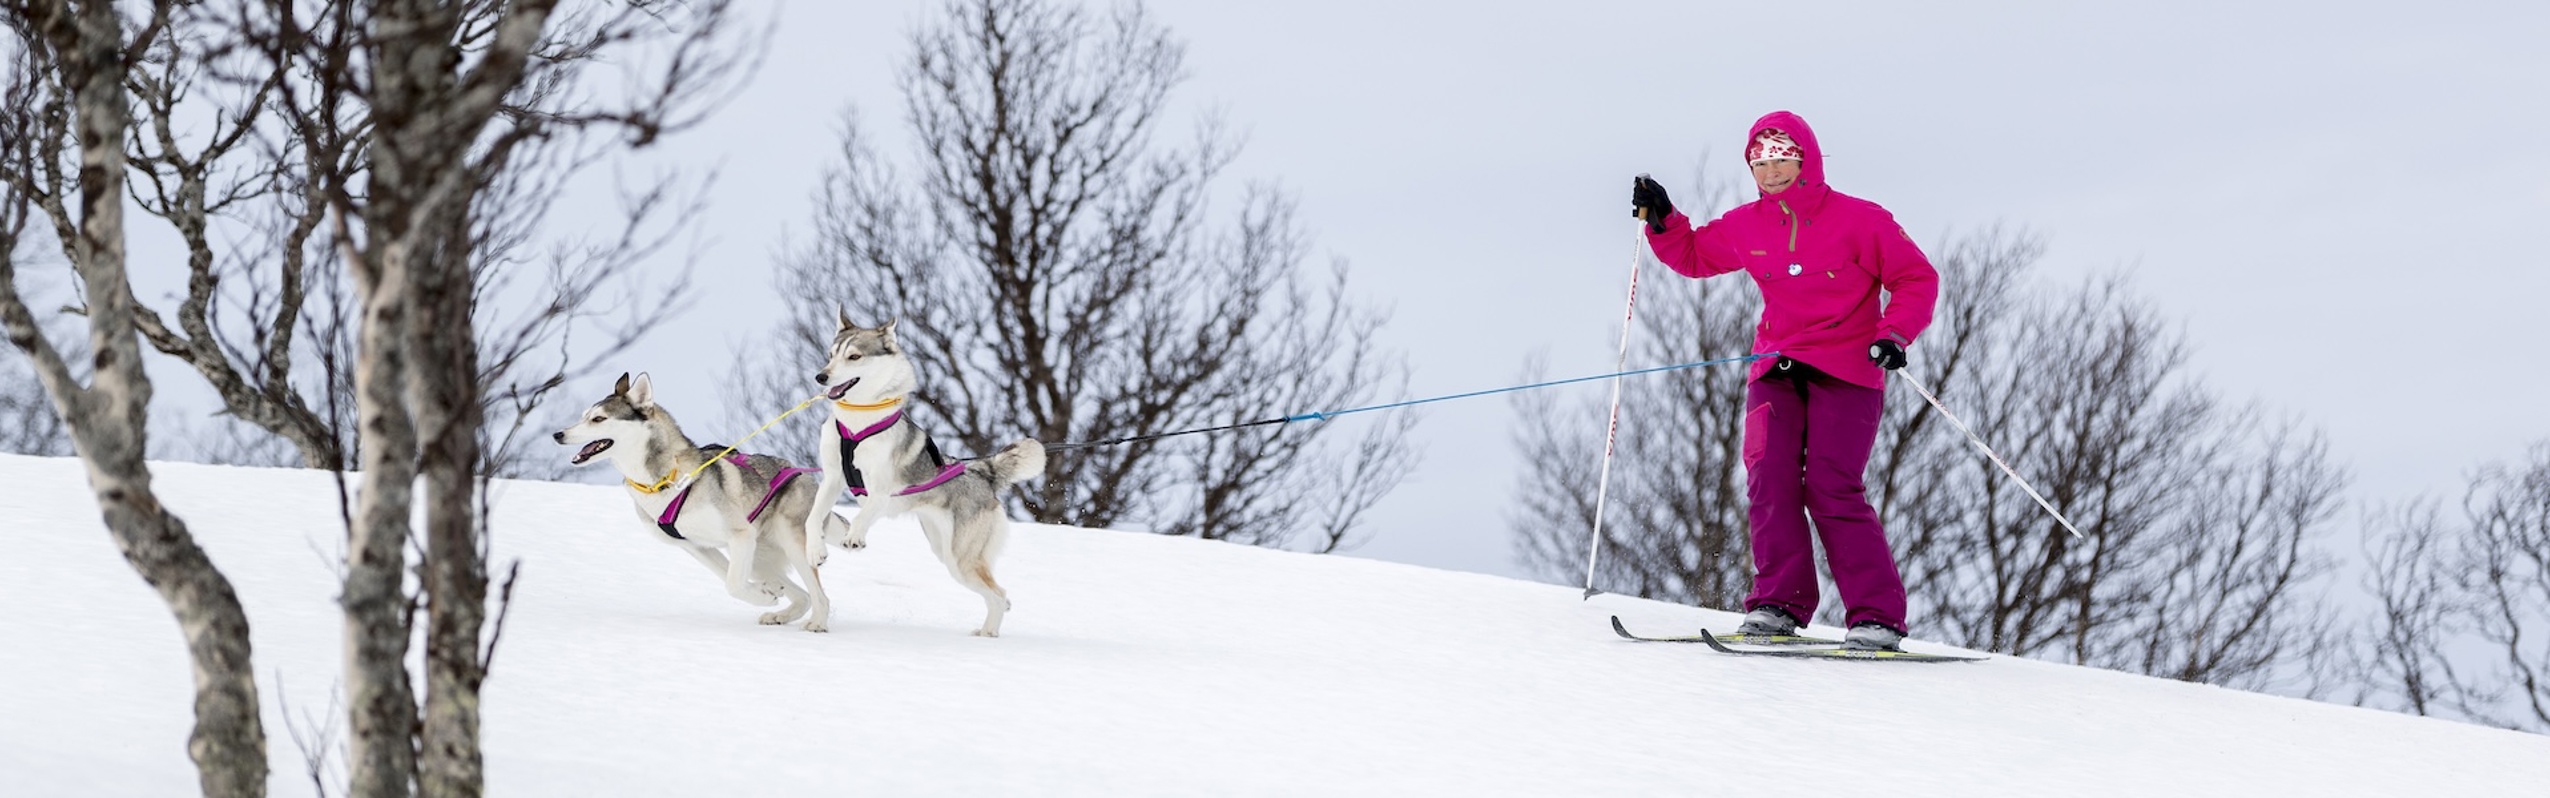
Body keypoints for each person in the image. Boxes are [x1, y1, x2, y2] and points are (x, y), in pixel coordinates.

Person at [1628, 110, 1940, 651]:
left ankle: (1876, 618)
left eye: (1781, 160)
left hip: (1848, 370)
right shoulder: (1747, 224)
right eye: (1760, 162)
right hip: (1776, 369)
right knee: (1768, 478)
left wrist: (1894, 334)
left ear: (1805, 161)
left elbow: (1915, 278)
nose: (1771, 172)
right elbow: (1696, 255)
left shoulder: (1861, 220)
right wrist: (1663, 221)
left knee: (1830, 485)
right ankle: (1778, 604)